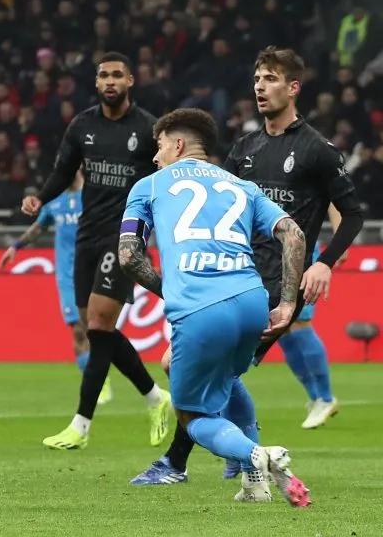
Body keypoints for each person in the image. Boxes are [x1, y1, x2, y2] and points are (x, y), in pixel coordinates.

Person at [130, 47, 363, 488]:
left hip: (278, 284)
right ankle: (239, 460)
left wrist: (325, 263)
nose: (260, 85)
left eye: (271, 78)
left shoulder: (316, 149)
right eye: (257, 77)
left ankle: (186, 462)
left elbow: (352, 214)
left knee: (182, 366)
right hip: (238, 274)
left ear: (293, 88)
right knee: (213, 371)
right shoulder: (246, 147)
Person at [119, 107, 311, 506]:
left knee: (191, 417)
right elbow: (293, 234)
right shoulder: (243, 186)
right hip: (252, 301)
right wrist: (288, 302)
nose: (155, 157)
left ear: (177, 143)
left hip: (200, 306)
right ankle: (252, 483)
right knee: (218, 374)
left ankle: (255, 455)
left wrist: (171, 290)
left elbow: (128, 257)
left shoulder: (149, 186)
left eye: (158, 147)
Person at [21, 53, 171, 450]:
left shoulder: (148, 127)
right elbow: (62, 170)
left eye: (117, 75)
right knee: (96, 330)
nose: (109, 81)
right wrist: (40, 197)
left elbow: (166, 178)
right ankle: (156, 398)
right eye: (103, 74)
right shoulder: (82, 125)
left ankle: (81, 425)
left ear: (130, 81)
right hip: (86, 237)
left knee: (101, 325)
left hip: (124, 238)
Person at [1, 170, 112, 404]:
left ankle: (99, 374)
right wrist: (17, 246)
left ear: (79, 165)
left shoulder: (94, 196)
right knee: (78, 330)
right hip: (66, 276)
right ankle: (95, 381)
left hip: (94, 270)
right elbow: (39, 228)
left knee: (95, 327)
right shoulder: (55, 202)